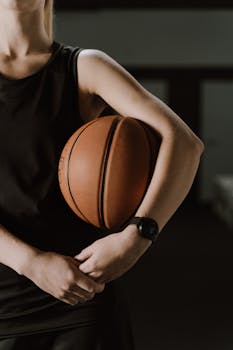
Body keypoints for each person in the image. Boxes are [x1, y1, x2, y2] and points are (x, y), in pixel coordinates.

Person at [0, 0, 205, 349]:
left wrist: (136, 236)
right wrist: (31, 263)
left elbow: (184, 142)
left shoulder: (84, 67)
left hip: (81, 299)